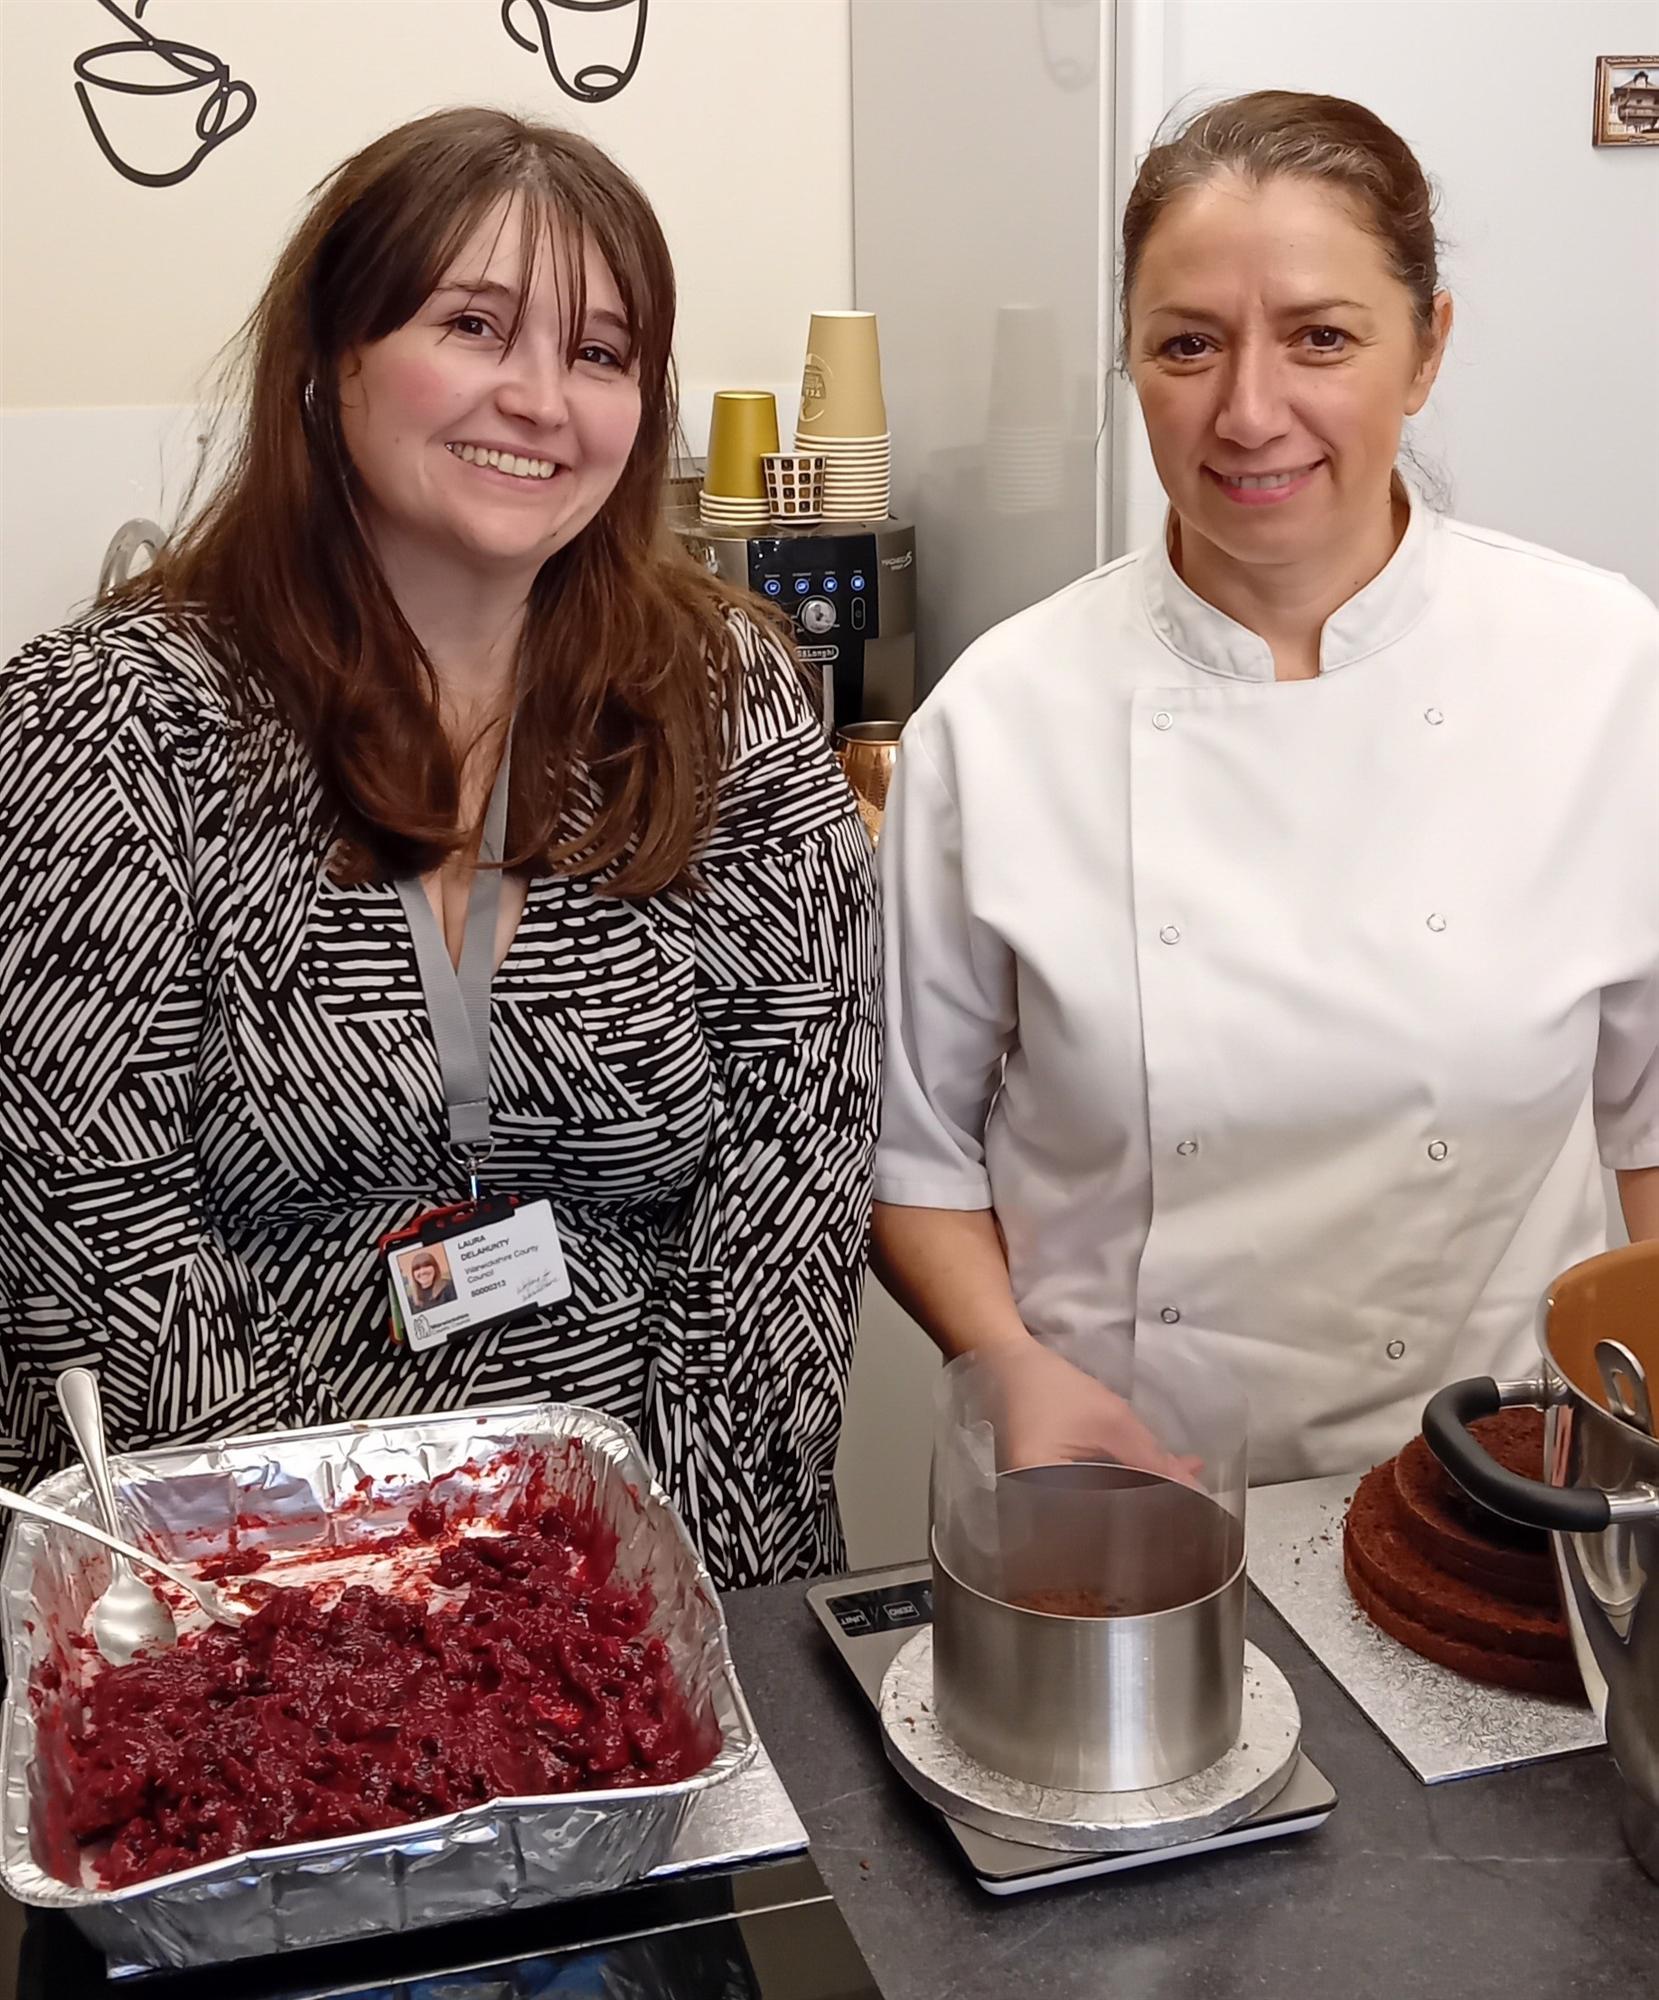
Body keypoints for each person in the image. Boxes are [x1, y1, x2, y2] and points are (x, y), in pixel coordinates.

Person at [0, 109, 880, 1587]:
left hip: (656, 1570)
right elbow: (96, 1239)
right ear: (332, 360)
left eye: (601, 354)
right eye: (476, 325)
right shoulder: (107, 721)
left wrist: (662, 1591)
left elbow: (793, 1194)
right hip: (230, 1584)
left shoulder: (729, 699)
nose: (542, 398)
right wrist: (335, 1607)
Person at [873, 92, 1659, 1483]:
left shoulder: (1602, 669)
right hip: (1117, 1483)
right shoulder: (1000, 721)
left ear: (1427, 350)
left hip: (1503, 1479)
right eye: (1188, 345)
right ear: (1129, 359)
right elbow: (914, 1157)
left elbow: (1653, 1133)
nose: (1250, 411)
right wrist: (1006, 1366)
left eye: (1322, 338)